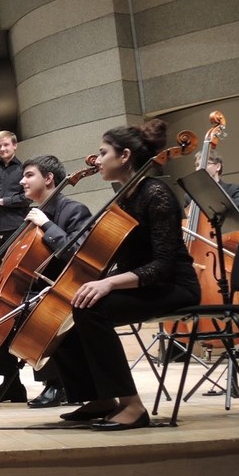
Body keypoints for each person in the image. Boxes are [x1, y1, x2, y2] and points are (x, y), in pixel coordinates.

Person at [51, 122, 202, 430]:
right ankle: (101, 398)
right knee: (69, 304)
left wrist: (109, 283)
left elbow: (162, 266)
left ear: (124, 156)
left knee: (91, 308)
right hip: (142, 283)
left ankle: (132, 405)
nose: (96, 160)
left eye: (103, 153)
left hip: (175, 285)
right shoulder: (124, 197)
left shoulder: (156, 193)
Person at [0, 155, 92, 407]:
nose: (22, 181)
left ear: (49, 179)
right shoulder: (34, 213)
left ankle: (57, 383)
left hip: (64, 287)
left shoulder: (74, 210)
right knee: (0, 311)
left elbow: (77, 254)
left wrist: (47, 225)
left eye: (29, 175)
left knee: (33, 311)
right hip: (38, 285)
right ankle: (10, 383)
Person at [205, 155, 239, 223]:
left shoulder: (235, 189)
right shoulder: (191, 195)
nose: (200, 168)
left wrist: (216, 192)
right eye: (197, 165)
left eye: (206, 163)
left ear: (218, 167)